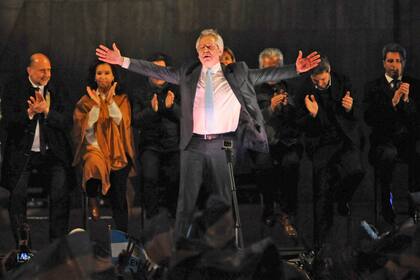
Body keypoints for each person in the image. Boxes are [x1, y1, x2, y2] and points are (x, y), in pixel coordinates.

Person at [96, 28, 320, 240]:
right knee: (186, 203)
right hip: (194, 145)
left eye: (211, 46)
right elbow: (156, 70)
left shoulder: (237, 71)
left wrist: (296, 69)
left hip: (223, 144)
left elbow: (266, 73)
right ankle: (179, 255)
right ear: (197, 52)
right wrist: (122, 61)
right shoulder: (188, 72)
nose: (206, 50)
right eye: (202, 47)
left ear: (221, 51)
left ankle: (230, 252)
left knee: (224, 202)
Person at [0, 53, 73, 245]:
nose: (47, 74)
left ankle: (57, 246)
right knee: (17, 195)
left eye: (49, 70)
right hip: (22, 154)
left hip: (52, 153)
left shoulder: (58, 89)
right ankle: (24, 247)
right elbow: (7, 122)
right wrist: (30, 113)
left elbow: (67, 122)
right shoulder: (13, 89)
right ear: (29, 70)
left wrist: (47, 111)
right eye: (42, 70)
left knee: (60, 191)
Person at [295, 56, 364, 249]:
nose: (320, 84)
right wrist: (314, 114)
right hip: (321, 143)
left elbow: (359, 113)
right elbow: (299, 123)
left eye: (323, 80)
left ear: (329, 72)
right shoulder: (303, 90)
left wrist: (350, 109)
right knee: (322, 192)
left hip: (344, 139)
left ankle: (341, 199)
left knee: (356, 171)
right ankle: (321, 245)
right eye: (316, 81)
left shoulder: (344, 81)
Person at [72, 60, 136, 232]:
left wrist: (108, 103)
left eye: (107, 73)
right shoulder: (86, 100)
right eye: (99, 73)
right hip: (95, 149)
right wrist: (97, 105)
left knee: (118, 195)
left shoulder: (122, 99)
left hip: (117, 152)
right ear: (94, 77)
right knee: (93, 165)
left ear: (114, 76)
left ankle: (122, 238)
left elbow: (122, 122)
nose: (103, 77)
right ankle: (93, 198)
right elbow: (82, 127)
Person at [364, 43, 420, 225]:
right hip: (383, 141)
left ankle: (415, 209)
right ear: (383, 63)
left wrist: (407, 101)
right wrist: (393, 103)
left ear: (403, 63)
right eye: (390, 61)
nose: (394, 65)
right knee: (388, 155)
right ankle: (386, 207)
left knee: (417, 155)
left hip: (409, 140)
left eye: (398, 61)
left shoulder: (415, 85)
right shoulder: (372, 87)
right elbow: (369, 118)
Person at [254, 48, 303, 236]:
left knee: (291, 163)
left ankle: (288, 212)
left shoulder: (293, 88)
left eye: (275, 68)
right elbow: (252, 121)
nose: (271, 72)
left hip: (288, 141)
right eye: (267, 68)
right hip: (263, 143)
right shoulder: (252, 89)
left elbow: (300, 119)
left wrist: (288, 106)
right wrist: (271, 108)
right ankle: (269, 207)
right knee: (263, 165)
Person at [132, 52, 180, 219]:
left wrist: (171, 107)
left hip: (174, 146)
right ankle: (152, 220)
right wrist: (151, 111)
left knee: (177, 177)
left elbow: (186, 118)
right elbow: (135, 120)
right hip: (150, 146)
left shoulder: (176, 89)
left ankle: (173, 219)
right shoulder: (139, 92)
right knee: (149, 177)